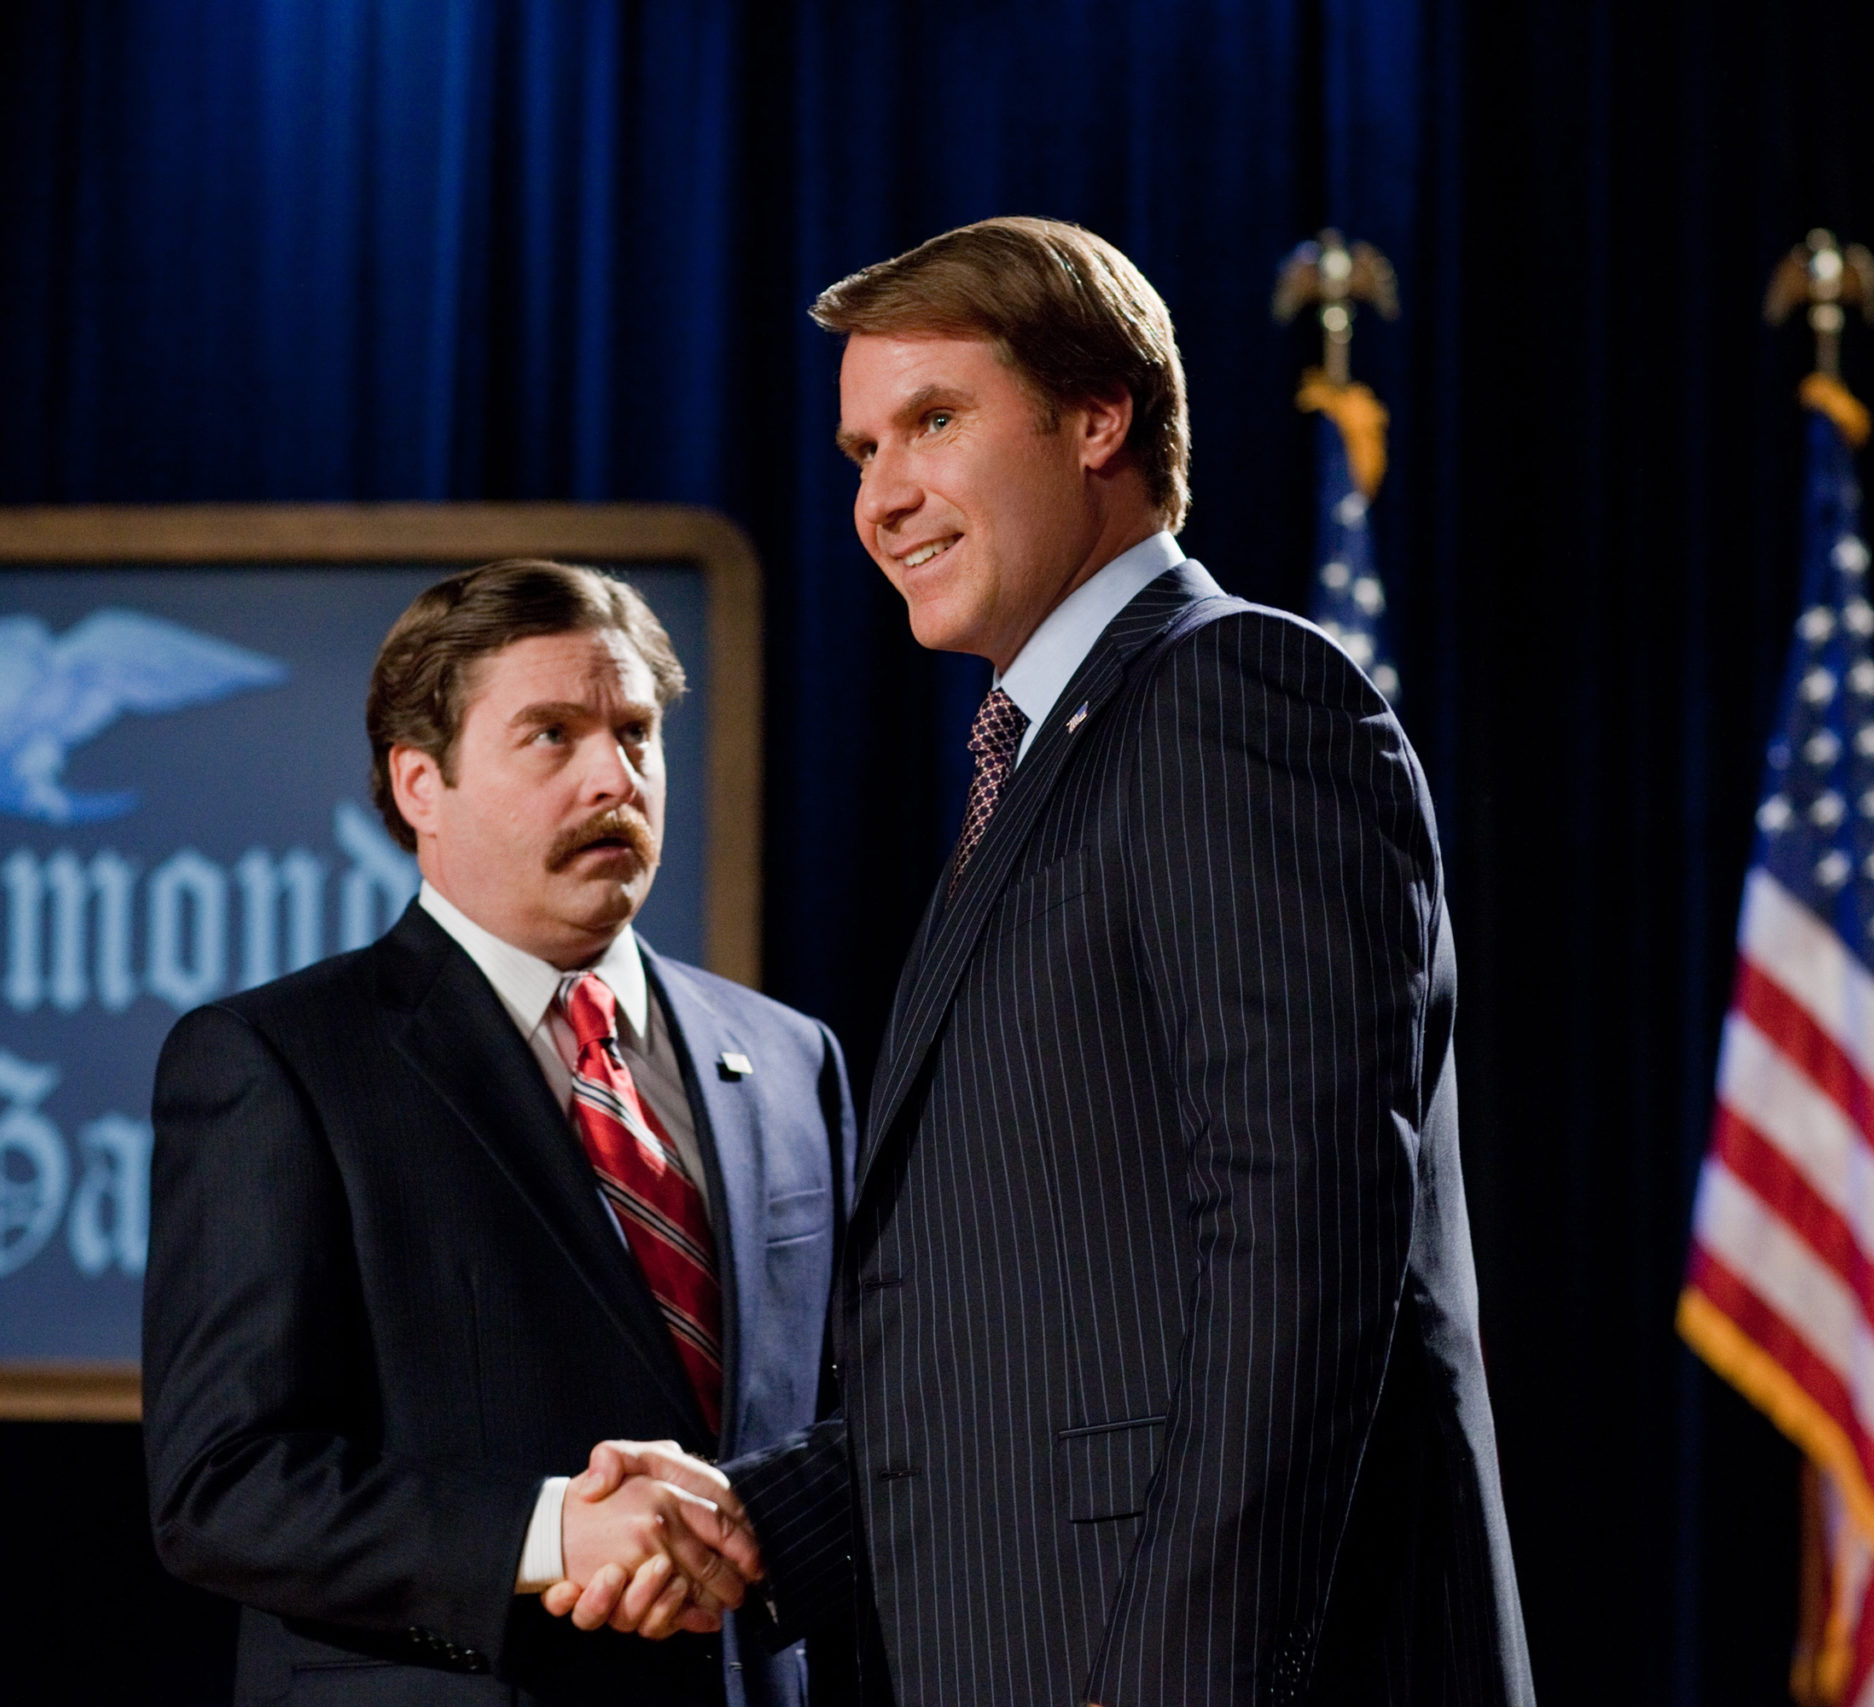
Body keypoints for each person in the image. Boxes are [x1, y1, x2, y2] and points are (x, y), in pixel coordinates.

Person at [572, 218, 1534, 1704]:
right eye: (861, 450)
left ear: (1099, 419)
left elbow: (1304, 1252)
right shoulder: (1049, 754)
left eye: (933, 422)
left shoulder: (1232, 695)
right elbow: (1052, 1337)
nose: (882, 496)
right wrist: (758, 1516)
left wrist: (1174, 1679)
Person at [143, 560, 854, 1706]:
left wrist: (752, 1523)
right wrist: (553, 1532)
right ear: (420, 782)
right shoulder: (279, 1062)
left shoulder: (789, 1059)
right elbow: (223, 1490)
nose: (614, 777)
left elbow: (867, 1412)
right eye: (552, 734)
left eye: (635, 733)